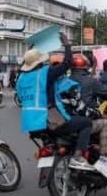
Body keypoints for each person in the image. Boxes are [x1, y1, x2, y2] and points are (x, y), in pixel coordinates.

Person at [17, 39, 95, 172]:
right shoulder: (44, 73)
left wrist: (29, 52)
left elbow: (20, 98)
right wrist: (67, 45)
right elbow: (67, 63)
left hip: (30, 125)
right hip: (50, 120)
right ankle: (77, 158)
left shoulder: (21, 79)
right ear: (40, 62)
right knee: (86, 123)